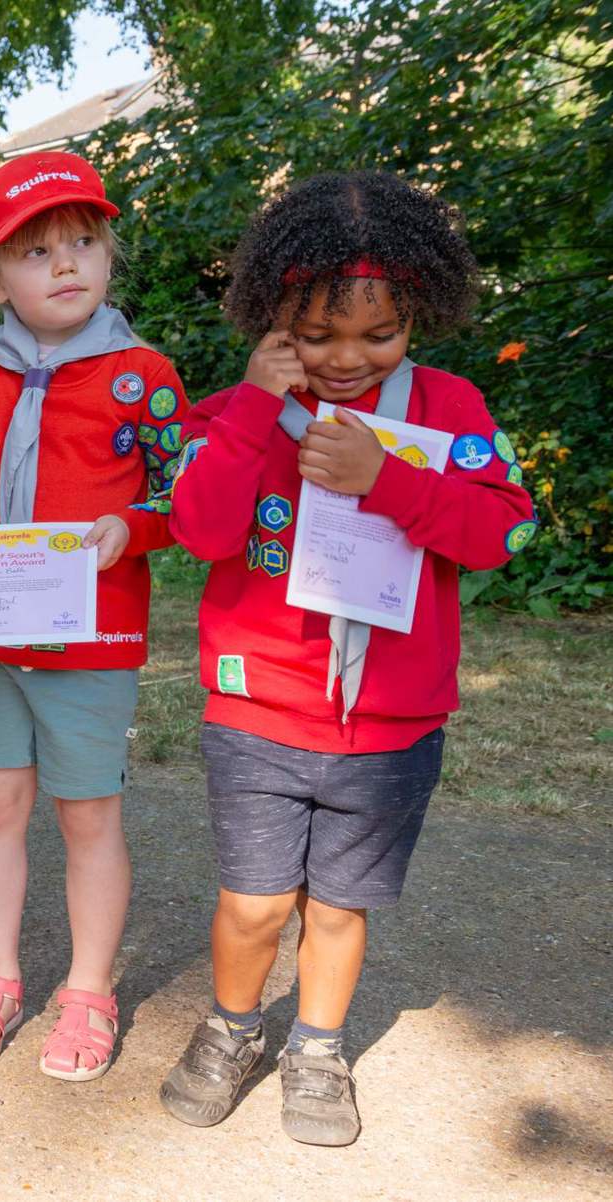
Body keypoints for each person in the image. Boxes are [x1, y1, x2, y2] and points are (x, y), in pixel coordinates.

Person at [158, 172, 534, 1145]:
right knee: (252, 902)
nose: (345, 358)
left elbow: (502, 534)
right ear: (274, 311)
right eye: (316, 333)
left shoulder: (450, 411)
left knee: (336, 909)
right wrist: (248, 409)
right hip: (259, 712)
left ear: (419, 313)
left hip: (391, 726)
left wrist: (391, 478)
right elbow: (197, 529)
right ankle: (232, 1025)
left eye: (378, 334)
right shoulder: (238, 407)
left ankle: (315, 1047)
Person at [0, 151, 191, 1080]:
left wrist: (132, 526)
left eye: (83, 241)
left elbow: (183, 494)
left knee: (86, 813)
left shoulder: (144, 373)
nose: (65, 264)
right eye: (36, 253)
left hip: (91, 638)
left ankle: (89, 989)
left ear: (109, 255)